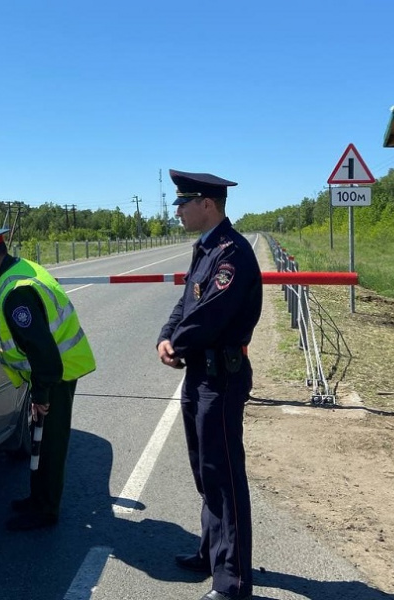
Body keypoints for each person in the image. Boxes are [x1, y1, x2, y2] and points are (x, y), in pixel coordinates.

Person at [157, 170, 262, 600]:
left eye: (184, 202)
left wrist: (176, 342)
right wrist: (165, 335)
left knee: (224, 477)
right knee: (204, 471)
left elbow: (210, 315)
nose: (177, 210)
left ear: (209, 204)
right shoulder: (205, 249)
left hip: (220, 378)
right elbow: (186, 303)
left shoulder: (231, 253)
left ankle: (233, 582)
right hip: (199, 373)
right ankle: (211, 552)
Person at [0, 227, 96, 531]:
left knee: (51, 444)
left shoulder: (16, 291)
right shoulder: (21, 269)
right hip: (53, 371)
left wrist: (41, 396)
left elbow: (44, 355)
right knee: (40, 440)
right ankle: (37, 498)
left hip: (57, 374)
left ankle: (46, 510)